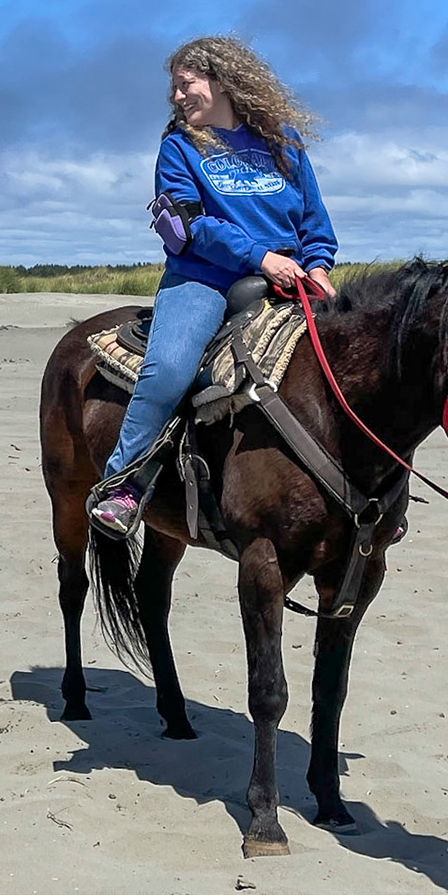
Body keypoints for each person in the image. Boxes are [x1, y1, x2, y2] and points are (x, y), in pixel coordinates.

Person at [91, 36, 339, 535]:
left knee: (352, 361)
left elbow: (314, 218)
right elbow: (188, 225)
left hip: (288, 277)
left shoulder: (282, 142)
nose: (178, 97)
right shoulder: (179, 148)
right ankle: (125, 483)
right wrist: (260, 257)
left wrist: (318, 268)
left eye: (187, 85)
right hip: (202, 278)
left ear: (224, 81)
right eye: (175, 90)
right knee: (170, 370)